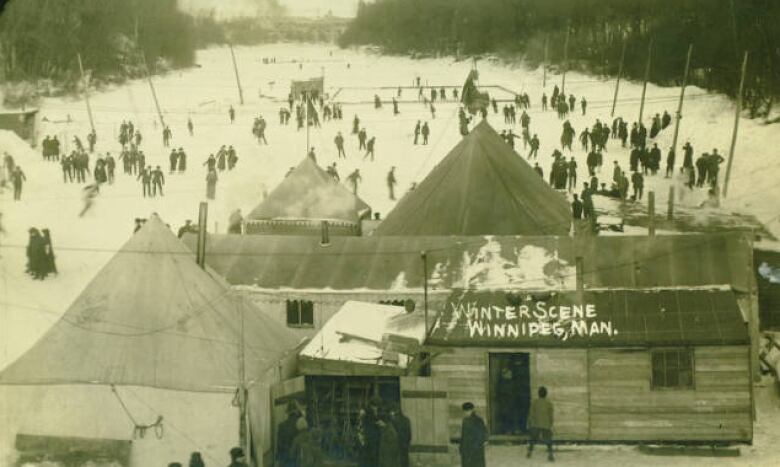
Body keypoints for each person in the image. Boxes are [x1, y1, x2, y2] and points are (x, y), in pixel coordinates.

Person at [527, 386, 554, 462]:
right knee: (548, 440)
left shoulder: (534, 402)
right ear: (546, 394)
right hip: (546, 424)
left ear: (538, 394)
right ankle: (550, 454)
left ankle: (529, 452)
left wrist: (530, 423)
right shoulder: (549, 403)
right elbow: (551, 415)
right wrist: (551, 423)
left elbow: (531, 414)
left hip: (536, 424)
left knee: (533, 439)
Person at [459, 402, 487, 467]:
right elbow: (463, 435)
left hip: (476, 449)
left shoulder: (478, 420)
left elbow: (482, 434)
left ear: (472, 410)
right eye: (464, 411)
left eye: (467, 411)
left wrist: (476, 447)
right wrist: (461, 446)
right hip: (466, 449)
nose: (466, 413)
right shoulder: (465, 421)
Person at [277, 402, 302, 467]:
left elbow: (279, 445)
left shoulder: (282, 426)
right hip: (296, 459)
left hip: (285, 459)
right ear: (297, 412)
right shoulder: (300, 425)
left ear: (288, 413)